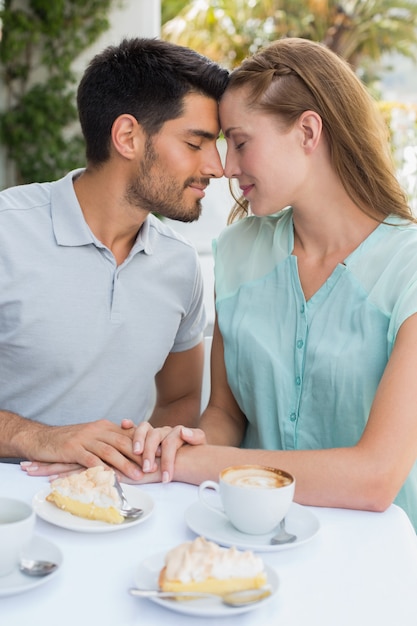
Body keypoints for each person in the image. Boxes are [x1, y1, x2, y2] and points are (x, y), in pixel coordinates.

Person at [131, 37, 417, 530]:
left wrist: (193, 464)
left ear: (308, 131)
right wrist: (181, 442)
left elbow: (375, 477)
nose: (227, 167)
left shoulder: (407, 267)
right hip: (246, 537)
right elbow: (225, 412)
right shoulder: (239, 251)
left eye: (241, 143)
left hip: (374, 558)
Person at [0, 37, 229, 480]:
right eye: (196, 142)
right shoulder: (7, 231)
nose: (217, 166)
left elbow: (180, 399)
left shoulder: (180, 266)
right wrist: (42, 438)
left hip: (122, 514)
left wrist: (143, 468)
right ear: (127, 136)